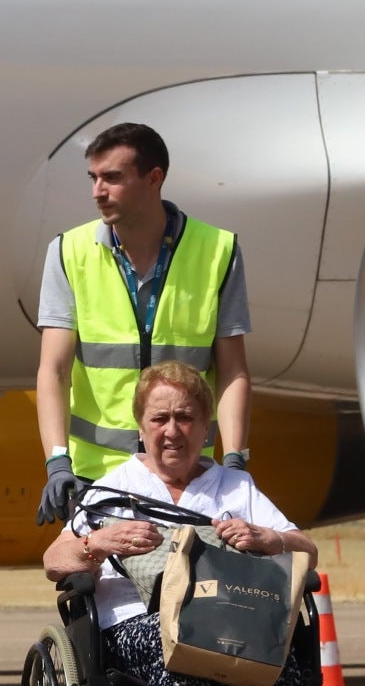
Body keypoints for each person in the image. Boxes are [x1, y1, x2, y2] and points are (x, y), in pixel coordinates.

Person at [41, 361, 342, 686]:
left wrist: (267, 537)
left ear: (206, 428)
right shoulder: (112, 489)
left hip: (230, 623)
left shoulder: (234, 486)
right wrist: (99, 541)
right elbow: (53, 561)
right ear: (141, 428)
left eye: (185, 418)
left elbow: (306, 551)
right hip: (136, 628)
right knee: (173, 635)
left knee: (273, 640)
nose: (172, 430)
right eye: (159, 419)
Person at [34, 121, 251, 526]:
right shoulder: (68, 252)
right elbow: (53, 370)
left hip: (187, 474)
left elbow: (233, 370)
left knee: (191, 588)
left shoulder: (218, 252)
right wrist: (57, 461)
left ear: (154, 179)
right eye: (94, 178)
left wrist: (235, 459)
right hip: (96, 478)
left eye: (112, 178)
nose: (98, 191)